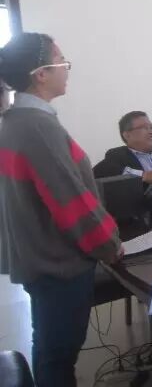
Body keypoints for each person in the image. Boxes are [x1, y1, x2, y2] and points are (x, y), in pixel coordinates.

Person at [0, 33, 122, 386]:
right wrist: (109, 245)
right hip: (58, 264)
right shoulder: (37, 126)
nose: (67, 69)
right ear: (41, 73)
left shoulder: (18, 121)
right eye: (63, 62)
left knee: (49, 348)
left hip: (37, 257)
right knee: (58, 356)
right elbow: (71, 201)